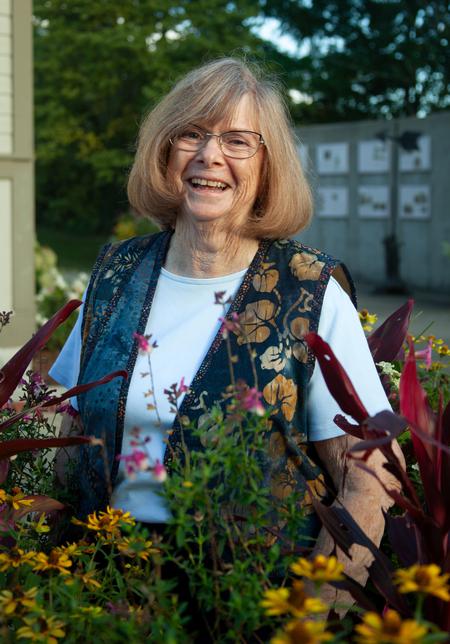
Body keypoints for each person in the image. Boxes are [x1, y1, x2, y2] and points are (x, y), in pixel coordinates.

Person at [50, 58, 401, 606]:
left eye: (237, 141)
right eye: (191, 134)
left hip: (251, 605)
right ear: (165, 150)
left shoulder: (308, 290)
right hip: (108, 591)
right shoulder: (115, 275)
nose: (209, 155)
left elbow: (369, 475)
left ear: (267, 166)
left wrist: (311, 614)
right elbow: (72, 442)